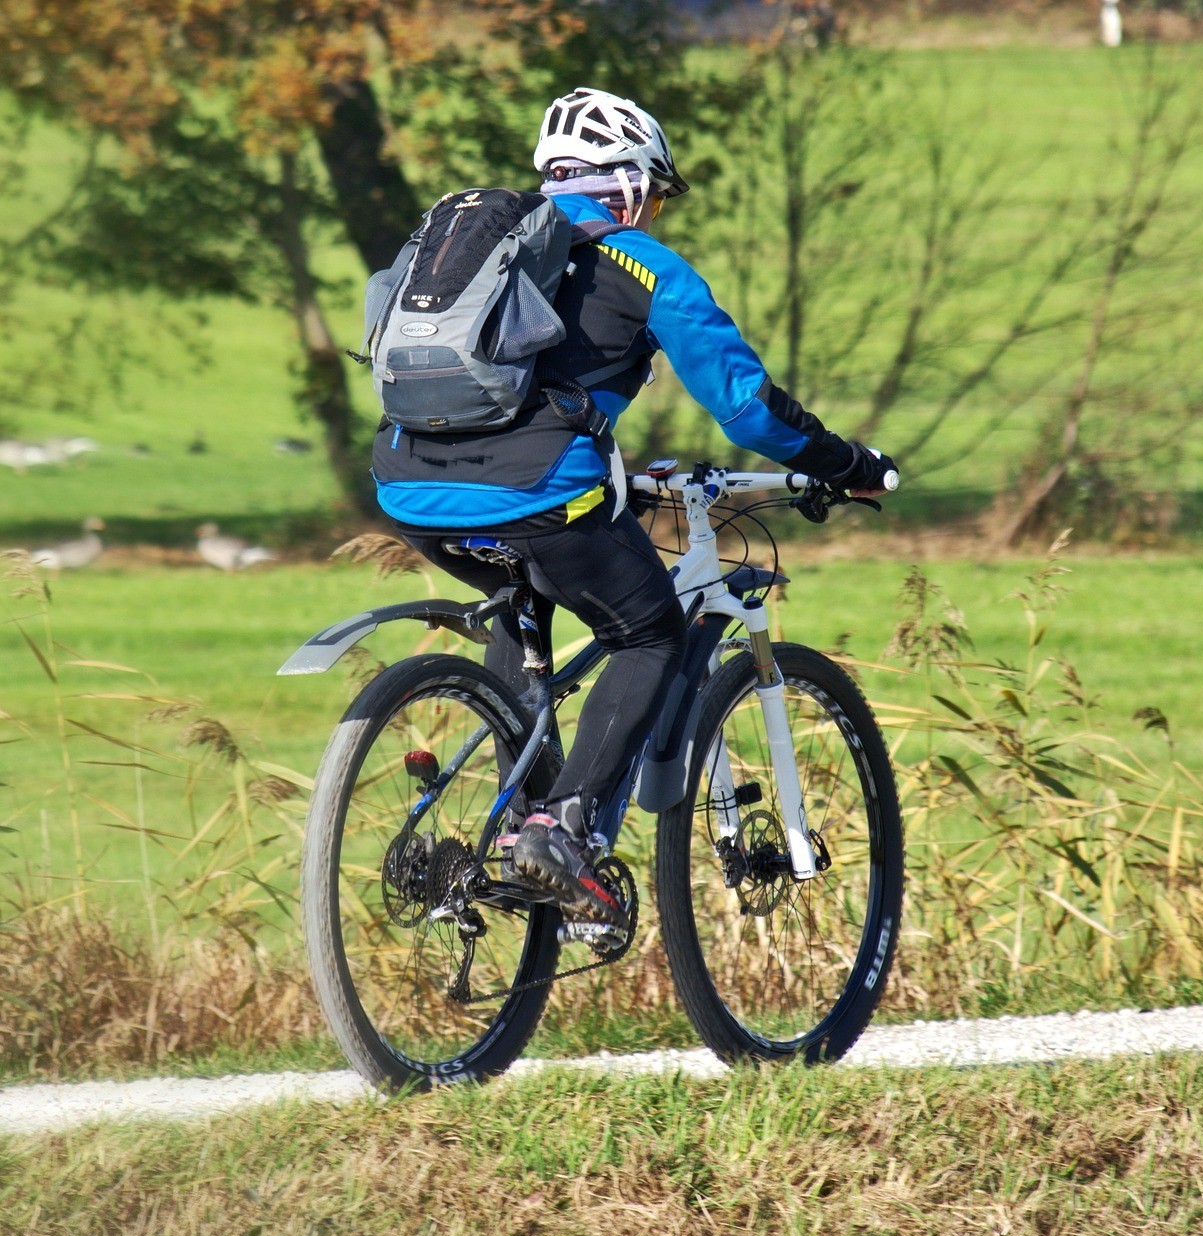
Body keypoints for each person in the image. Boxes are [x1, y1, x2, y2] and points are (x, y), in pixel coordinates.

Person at [374, 87, 898, 923]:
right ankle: (562, 823)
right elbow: (747, 408)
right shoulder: (642, 265)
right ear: (625, 185)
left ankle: (510, 832)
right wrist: (847, 464)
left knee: (524, 596)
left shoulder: (475, 250)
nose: (652, 210)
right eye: (653, 193)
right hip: (542, 492)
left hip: (406, 488)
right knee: (647, 630)